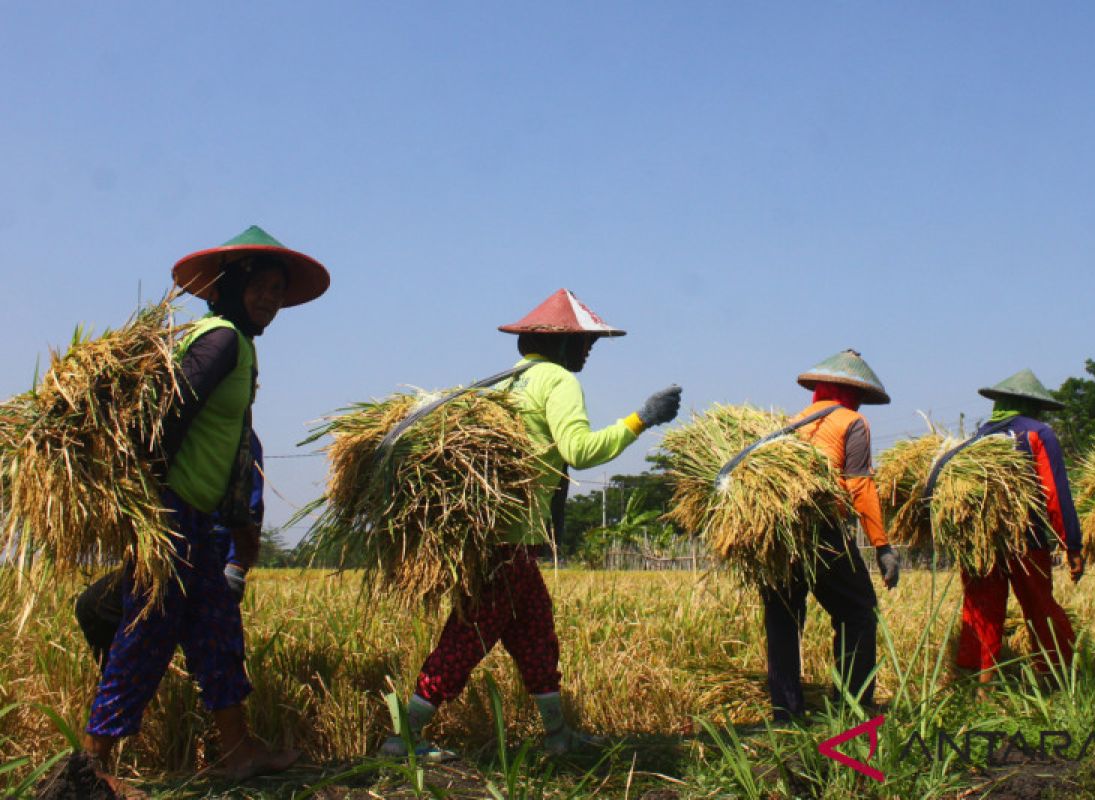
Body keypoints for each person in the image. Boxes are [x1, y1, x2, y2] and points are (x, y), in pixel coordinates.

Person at [381, 288, 682, 760]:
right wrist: (642, 418)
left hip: (505, 542)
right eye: (583, 343)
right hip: (508, 546)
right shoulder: (557, 381)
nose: (588, 350)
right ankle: (403, 739)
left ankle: (558, 736)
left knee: (537, 636)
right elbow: (579, 451)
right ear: (559, 344)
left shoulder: (505, 384)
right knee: (466, 639)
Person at [80, 226, 329, 795]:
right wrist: (155, 503)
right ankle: (91, 766)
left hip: (198, 518)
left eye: (276, 289)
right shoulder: (221, 341)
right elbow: (170, 415)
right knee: (146, 633)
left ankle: (239, 750)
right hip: (176, 514)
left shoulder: (236, 343)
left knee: (217, 629)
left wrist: (236, 519)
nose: (269, 299)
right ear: (233, 285)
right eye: (259, 286)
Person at [759, 349, 900, 723]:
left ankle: (786, 715)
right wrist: (882, 546)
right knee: (857, 614)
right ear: (853, 393)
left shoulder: (789, 424)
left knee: (783, 617)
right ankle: (852, 711)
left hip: (777, 530)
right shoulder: (853, 421)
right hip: (821, 530)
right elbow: (858, 485)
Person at [75, 433, 265, 669]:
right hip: (166, 556)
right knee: (96, 609)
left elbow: (249, 507)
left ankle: (134, 685)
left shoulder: (236, 434)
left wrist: (235, 567)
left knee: (212, 655)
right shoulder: (167, 427)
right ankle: (134, 680)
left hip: (207, 557)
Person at [952, 369, 1084, 685]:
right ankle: (1054, 680)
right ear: (1033, 405)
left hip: (980, 541)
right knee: (1040, 607)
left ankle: (983, 686)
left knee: (981, 609)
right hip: (1027, 537)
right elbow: (1055, 494)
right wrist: (1073, 544)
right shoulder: (1038, 433)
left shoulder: (978, 438)